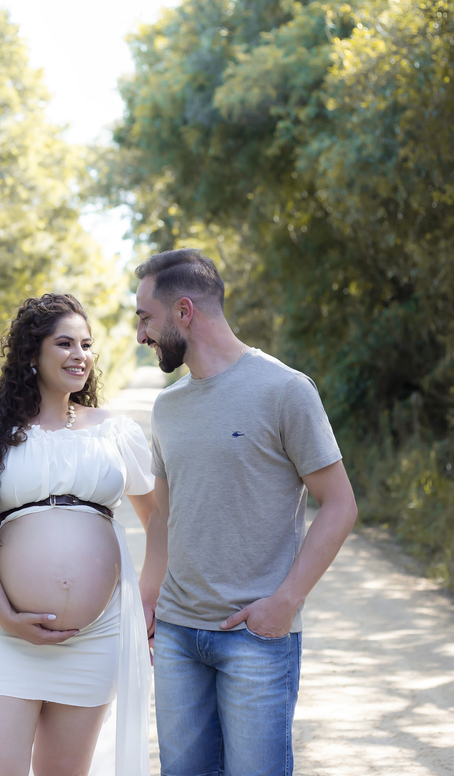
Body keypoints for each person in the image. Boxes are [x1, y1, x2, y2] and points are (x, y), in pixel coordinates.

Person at [134, 249, 358, 776]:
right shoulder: (168, 407)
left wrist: (285, 601)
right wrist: (147, 598)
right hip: (176, 637)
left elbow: (340, 504)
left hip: (255, 638)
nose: (140, 334)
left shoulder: (284, 390)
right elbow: (164, 518)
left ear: (183, 311)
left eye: (146, 318)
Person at [0, 293, 156, 776]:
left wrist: (147, 599)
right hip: (2, 635)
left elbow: (159, 521)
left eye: (86, 344)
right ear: (31, 354)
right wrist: (7, 614)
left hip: (94, 637)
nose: (80, 355)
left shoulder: (115, 433)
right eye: (64, 343)